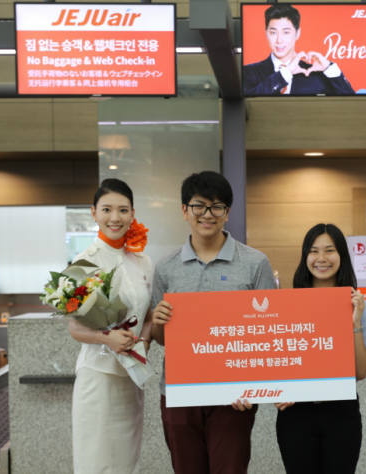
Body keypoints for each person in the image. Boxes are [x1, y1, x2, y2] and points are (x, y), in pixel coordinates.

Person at [150, 171, 276, 473]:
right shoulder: (166, 268)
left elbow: (267, 333)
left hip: (233, 396)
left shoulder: (255, 263)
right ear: (184, 210)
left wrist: (252, 387)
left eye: (217, 206)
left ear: (227, 213)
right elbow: (161, 338)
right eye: (199, 206)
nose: (207, 214)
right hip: (180, 392)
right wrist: (158, 322)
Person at [275, 223, 366, 474]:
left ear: (341, 255)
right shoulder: (287, 304)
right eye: (313, 251)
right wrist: (278, 391)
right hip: (295, 414)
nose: (321, 258)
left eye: (329, 250)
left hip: (341, 412)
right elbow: (277, 359)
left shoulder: (357, 303)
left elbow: (361, 372)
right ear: (305, 257)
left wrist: (355, 322)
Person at [68, 178, 153, 474]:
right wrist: (108, 338)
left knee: (127, 462)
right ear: (93, 213)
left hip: (131, 376)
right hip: (98, 376)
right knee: (97, 461)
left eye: (122, 210)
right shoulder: (83, 262)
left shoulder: (143, 262)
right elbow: (75, 329)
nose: (114, 218)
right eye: (106, 209)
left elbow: (150, 316)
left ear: (132, 213)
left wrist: (141, 342)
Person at [243, 4, 355, 96]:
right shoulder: (249, 72)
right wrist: (284, 74)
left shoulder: (314, 74)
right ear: (266, 33)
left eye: (286, 32)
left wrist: (329, 68)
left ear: (297, 33)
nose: (279, 40)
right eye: (273, 32)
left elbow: (352, 105)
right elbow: (246, 103)